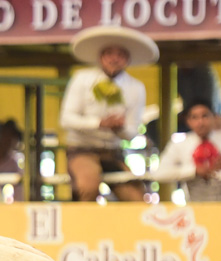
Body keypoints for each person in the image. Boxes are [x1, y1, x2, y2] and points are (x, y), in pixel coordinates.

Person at [61, 25, 158, 203]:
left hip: (113, 151)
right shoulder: (81, 79)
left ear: (127, 59)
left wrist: (119, 128)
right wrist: (99, 123)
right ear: (100, 57)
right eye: (109, 53)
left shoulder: (136, 87)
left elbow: (132, 131)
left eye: (120, 54)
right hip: (82, 149)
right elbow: (66, 119)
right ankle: (82, 228)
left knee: (136, 197)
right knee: (87, 188)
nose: (114, 59)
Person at [152, 100, 221, 202]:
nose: (200, 122)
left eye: (205, 116)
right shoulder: (180, 145)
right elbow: (159, 173)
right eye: (194, 117)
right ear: (188, 121)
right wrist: (194, 171)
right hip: (196, 206)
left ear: (214, 117)